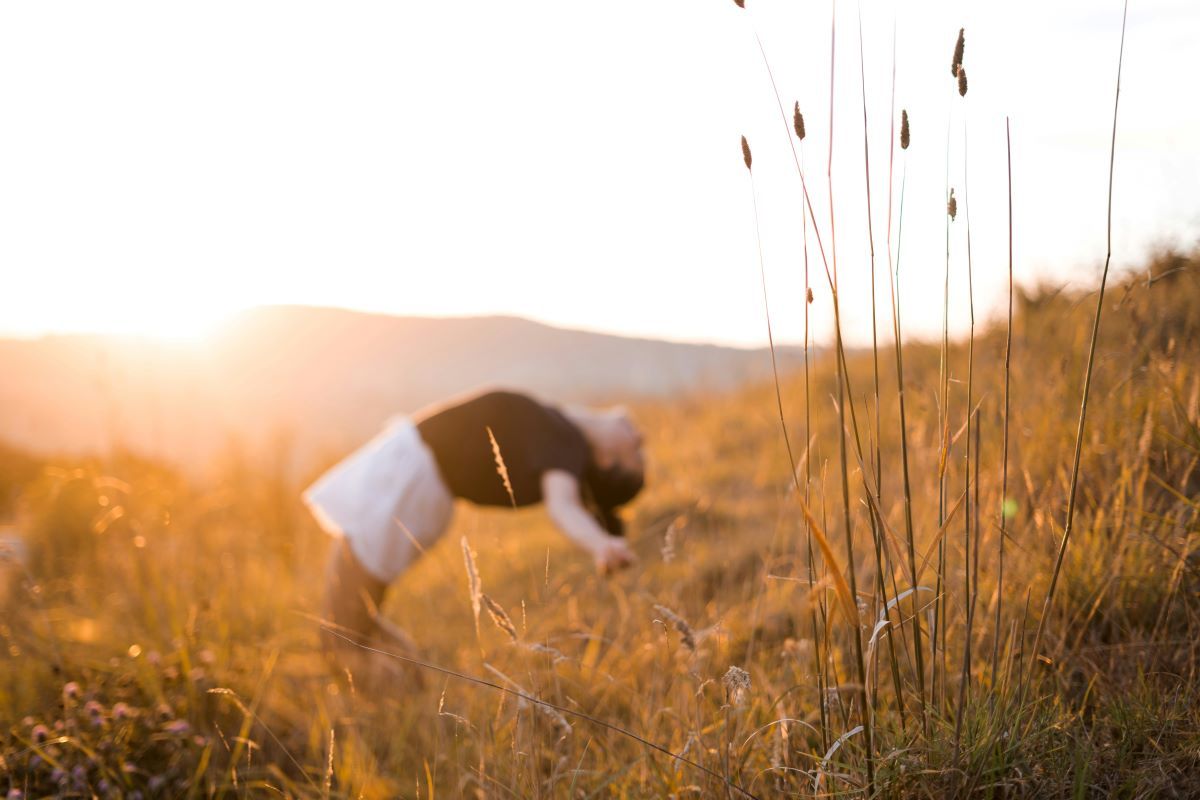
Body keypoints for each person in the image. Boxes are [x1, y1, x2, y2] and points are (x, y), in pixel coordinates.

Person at [303, 388, 645, 668]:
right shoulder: (561, 431)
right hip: (413, 476)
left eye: (637, 451)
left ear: (606, 459)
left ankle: (384, 701)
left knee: (342, 628)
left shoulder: (566, 444)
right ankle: (401, 684)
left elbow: (563, 506)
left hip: (409, 481)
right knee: (350, 619)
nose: (640, 435)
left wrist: (600, 544)